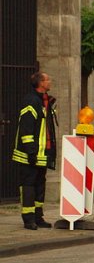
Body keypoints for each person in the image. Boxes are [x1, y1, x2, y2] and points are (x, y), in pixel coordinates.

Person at [12, 72, 58, 230]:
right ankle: (28, 219)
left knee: (40, 185)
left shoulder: (44, 101)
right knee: (29, 185)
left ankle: (39, 217)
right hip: (29, 155)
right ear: (41, 83)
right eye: (48, 79)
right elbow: (26, 129)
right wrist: (31, 152)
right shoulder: (31, 101)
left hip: (41, 154)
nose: (50, 81)